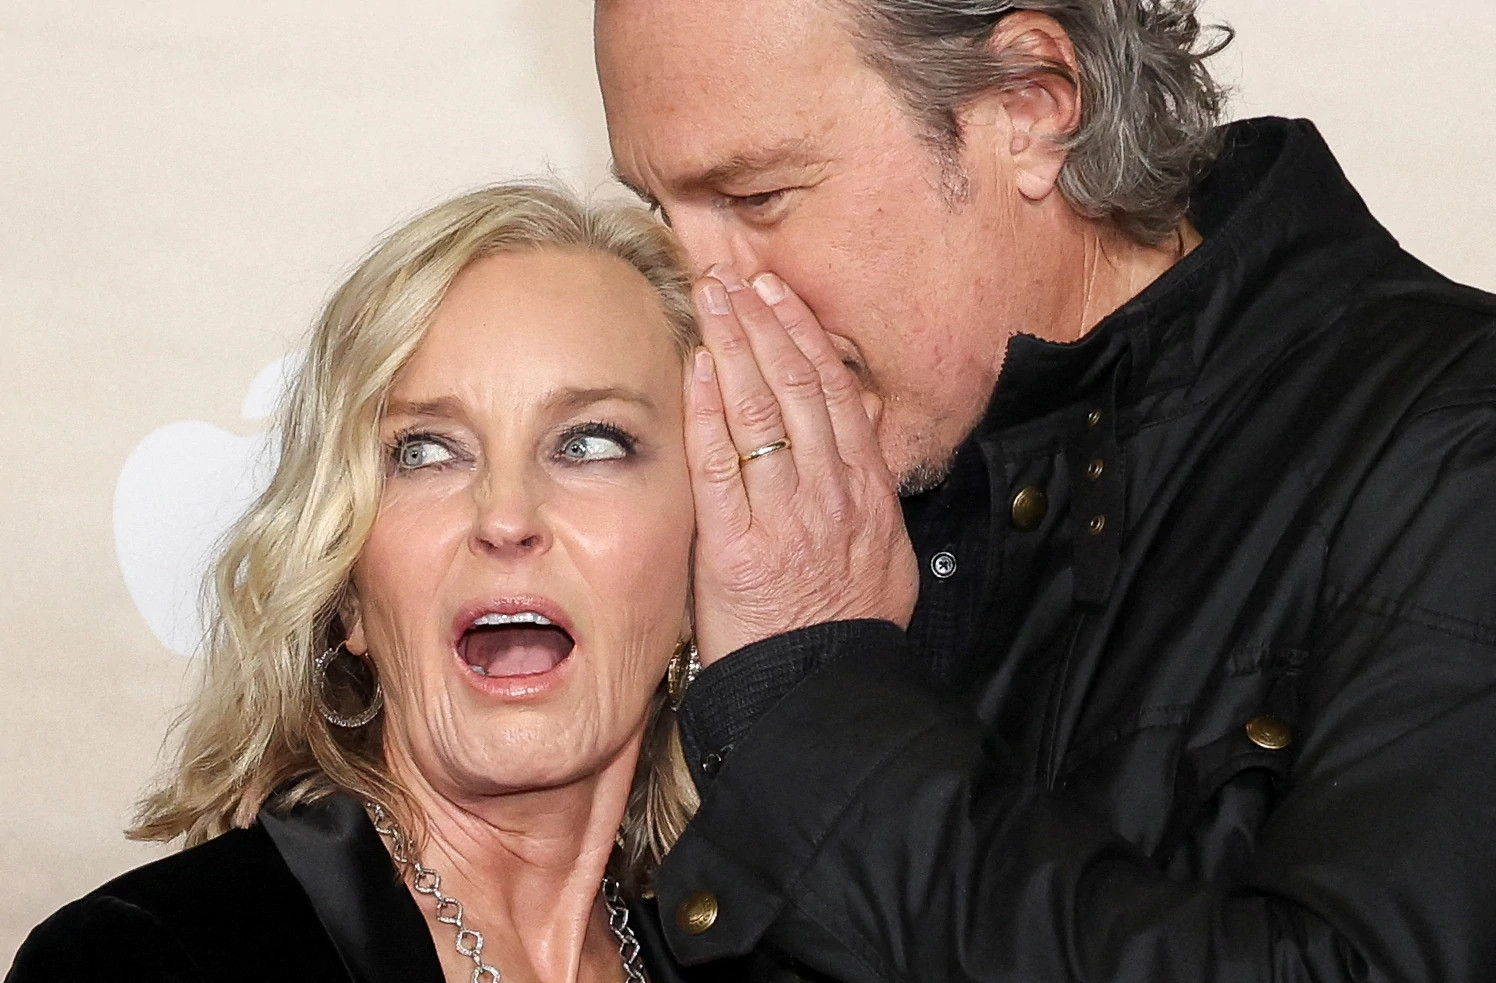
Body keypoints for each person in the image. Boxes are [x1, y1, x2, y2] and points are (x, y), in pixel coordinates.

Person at [595, 0, 1496, 980]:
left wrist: (815, 697)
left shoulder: (1448, 447)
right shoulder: (789, 458)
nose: (698, 288)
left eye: (758, 194)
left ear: (1027, 107)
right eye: (657, 208)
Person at [6, 184, 709, 983]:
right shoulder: (142, 962)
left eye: (588, 443)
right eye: (425, 450)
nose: (506, 514)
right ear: (345, 588)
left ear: (701, 563)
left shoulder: (779, 958)